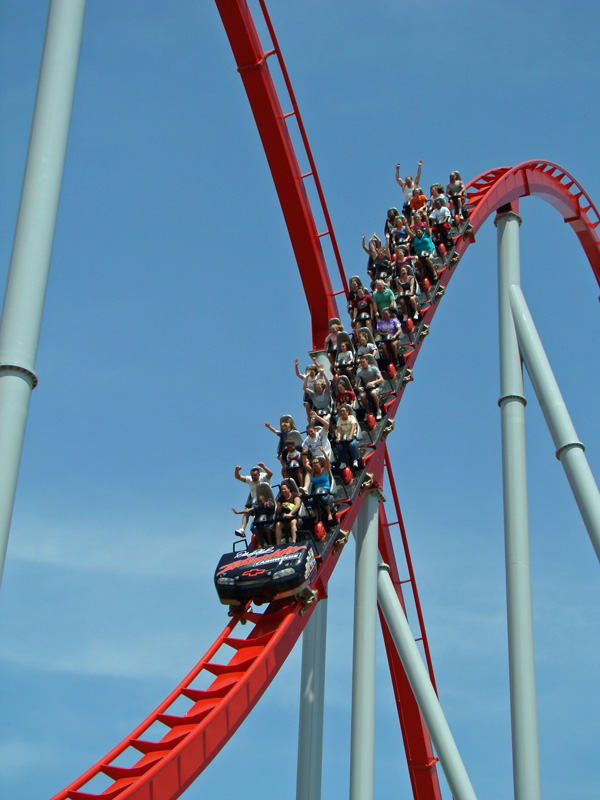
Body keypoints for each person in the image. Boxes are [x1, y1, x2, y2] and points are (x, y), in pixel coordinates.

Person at [233, 462, 273, 537]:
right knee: (247, 511)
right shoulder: (250, 479)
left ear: (258, 474)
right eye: (252, 475)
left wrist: (264, 467)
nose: (253, 477)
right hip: (255, 502)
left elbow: (270, 474)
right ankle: (242, 529)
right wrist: (237, 471)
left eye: (255, 475)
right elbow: (238, 477)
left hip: (266, 500)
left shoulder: (263, 477)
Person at [305, 447, 334, 524]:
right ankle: (317, 515)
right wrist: (304, 455)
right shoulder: (312, 473)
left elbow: (327, 460)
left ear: (320, 465)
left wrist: (323, 451)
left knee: (324, 499)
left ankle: (329, 513)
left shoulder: (325, 470)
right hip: (316, 492)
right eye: (314, 466)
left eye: (317, 466)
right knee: (311, 501)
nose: (315, 467)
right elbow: (305, 464)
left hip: (325, 490)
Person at [355, 355, 384, 419]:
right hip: (366, 387)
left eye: (363, 362)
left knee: (373, 393)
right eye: (361, 363)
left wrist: (373, 382)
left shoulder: (373, 368)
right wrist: (358, 388)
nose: (362, 364)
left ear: (367, 361)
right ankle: (368, 412)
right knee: (362, 396)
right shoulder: (359, 371)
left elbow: (381, 379)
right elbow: (355, 385)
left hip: (376, 386)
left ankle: (378, 410)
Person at [334, 404, 360, 470]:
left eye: (343, 411)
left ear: (347, 412)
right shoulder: (339, 419)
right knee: (339, 447)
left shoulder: (351, 417)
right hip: (344, 436)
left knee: (352, 445)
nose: (342, 413)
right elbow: (339, 430)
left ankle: (355, 460)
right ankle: (343, 462)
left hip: (351, 435)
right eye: (341, 411)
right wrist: (338, 438)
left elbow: (353, 428)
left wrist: (350, 436)